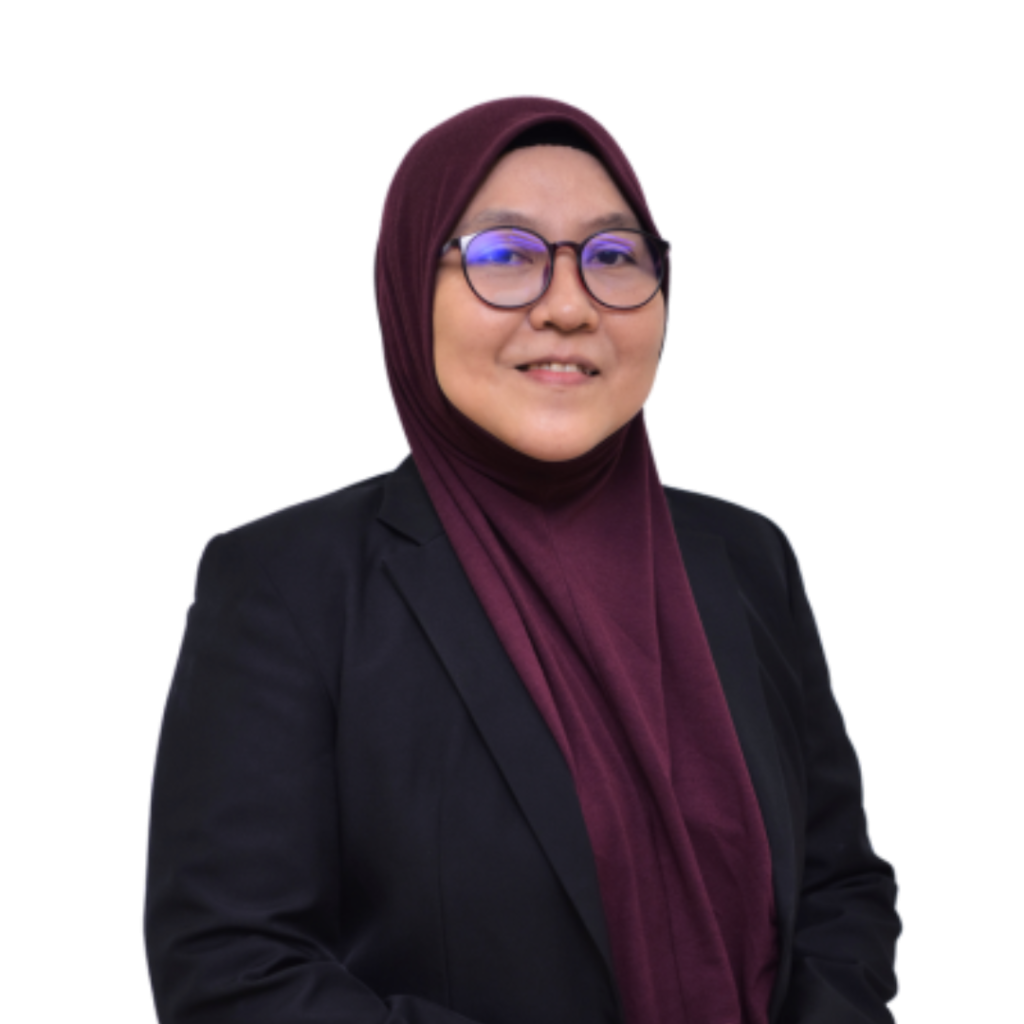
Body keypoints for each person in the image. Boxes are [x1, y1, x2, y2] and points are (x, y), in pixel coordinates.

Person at [144, 95, 901, 1023]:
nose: (570, 307)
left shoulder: (748, 557)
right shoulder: (287, 583)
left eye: (614, 256)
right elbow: (231, 968)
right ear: (407, 287)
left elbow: (842, 888)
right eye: (505, 255)